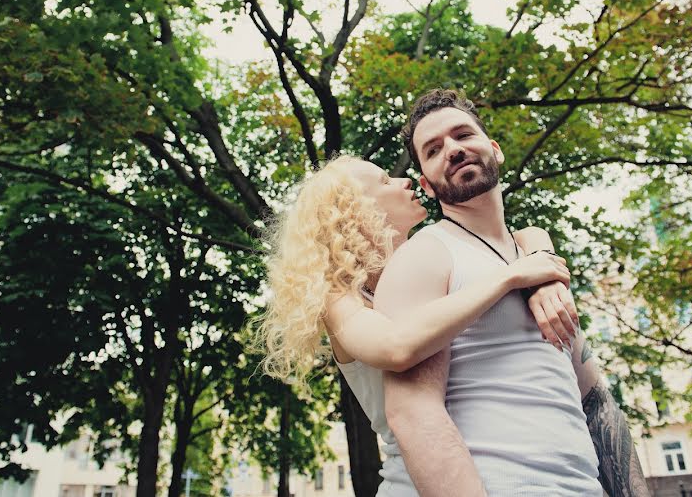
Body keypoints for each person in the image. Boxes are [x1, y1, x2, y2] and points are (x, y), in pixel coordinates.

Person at [374, 88, 651, 496]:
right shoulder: (427, 254)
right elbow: (413, 413)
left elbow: (596, 402)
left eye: (463, 135)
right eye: (433, 150)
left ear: (494, 148)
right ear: (427, 186)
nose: (452, 149)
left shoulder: (537, 262)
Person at [257, 155, 582, 494]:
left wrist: (539, 255)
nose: (405, 182)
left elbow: (525, 234)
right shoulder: (339, 300)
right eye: (385, 182)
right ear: (352, 209)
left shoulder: (430, 264)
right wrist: (509, 277)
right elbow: (396, 346)